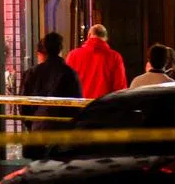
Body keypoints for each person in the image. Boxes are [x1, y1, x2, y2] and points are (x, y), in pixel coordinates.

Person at [19, 33, 83, 161]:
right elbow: (77, 105)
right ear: (60, 49)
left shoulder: (32, 73)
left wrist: (32, 124)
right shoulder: (69, 73)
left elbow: (23, 105)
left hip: (38, 130)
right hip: (62, 133)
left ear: (44, 50)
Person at [65, 24, 127, 99]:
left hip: (80, 105)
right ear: (106, 38)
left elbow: (67, 84)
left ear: (88, 35)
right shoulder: (115, 57)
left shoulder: (73, 55)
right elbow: (120, 87)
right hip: (104, 106)